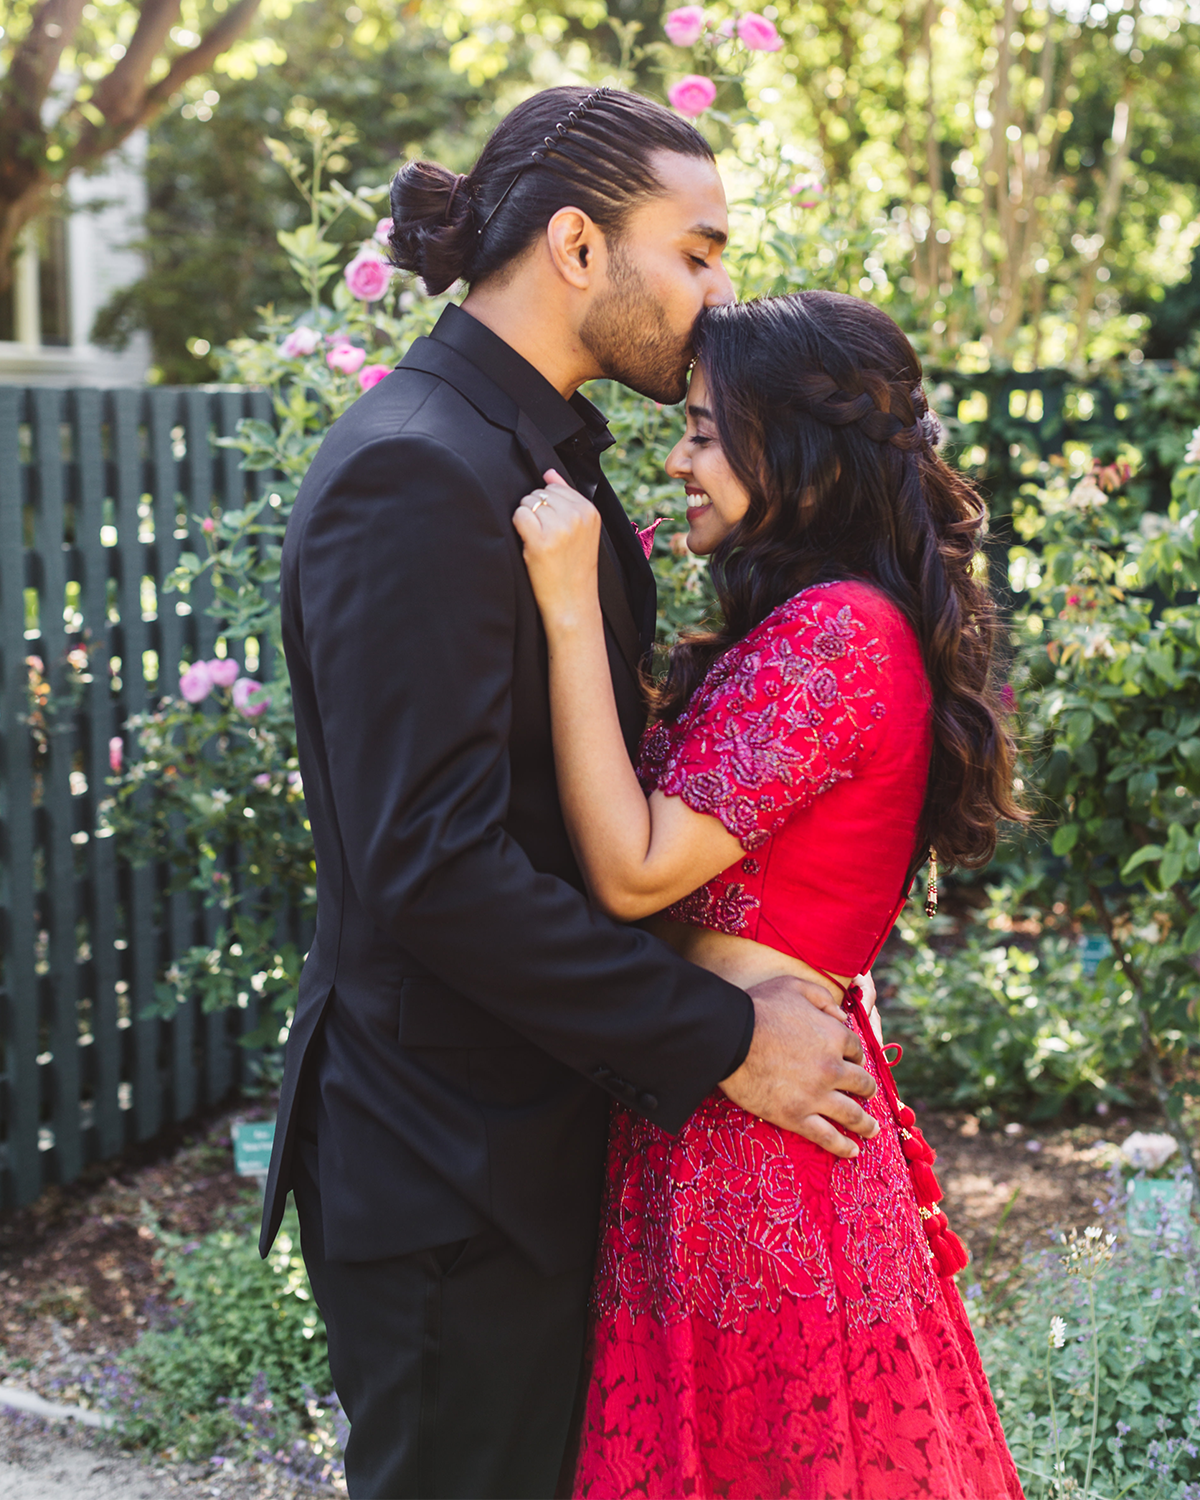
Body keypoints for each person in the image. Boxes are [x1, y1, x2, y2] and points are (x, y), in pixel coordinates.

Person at [259, 87, 885, 1500]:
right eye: (700, 250)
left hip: (523, 1149)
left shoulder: (522, 455)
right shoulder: (418, 471)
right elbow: (433, 867)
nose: (719, 293)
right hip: (447, 1173)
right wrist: (723, 1033)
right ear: (579, 247)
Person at [513, 289, 1027, 1499]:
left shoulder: (841, 634)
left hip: (760, 1160)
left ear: (791, 450)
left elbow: (637, 869)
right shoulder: (811, 625)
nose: (679, 455)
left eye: (703, 429)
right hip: (729, 1119)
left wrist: (569, 603)